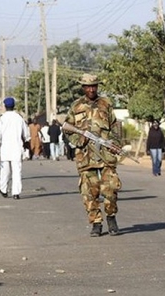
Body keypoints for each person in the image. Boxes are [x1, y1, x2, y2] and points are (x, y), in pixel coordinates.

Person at [64, 73, 122, 237]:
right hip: (85, 156)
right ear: (83, 88)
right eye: (88, 86)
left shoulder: (106, 103)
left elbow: (115, 125)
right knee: (89, 191)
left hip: (105, 154)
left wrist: (114, 142)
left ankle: (111, 218)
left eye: (94, 86)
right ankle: (96, 223)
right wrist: (78, 139)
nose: (91, 89)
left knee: (110, 188)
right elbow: (67, 128)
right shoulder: (76, 106)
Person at [0, 97, 29, 200]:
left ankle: (3, 190)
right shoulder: (19, 118)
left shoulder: (1, 119)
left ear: (4, 106)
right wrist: (26, 149)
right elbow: (26, 135)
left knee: (5, 171)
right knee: (17, 171)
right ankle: (16, 193)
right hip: (17, 149)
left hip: (5, 149)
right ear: (14, 106)